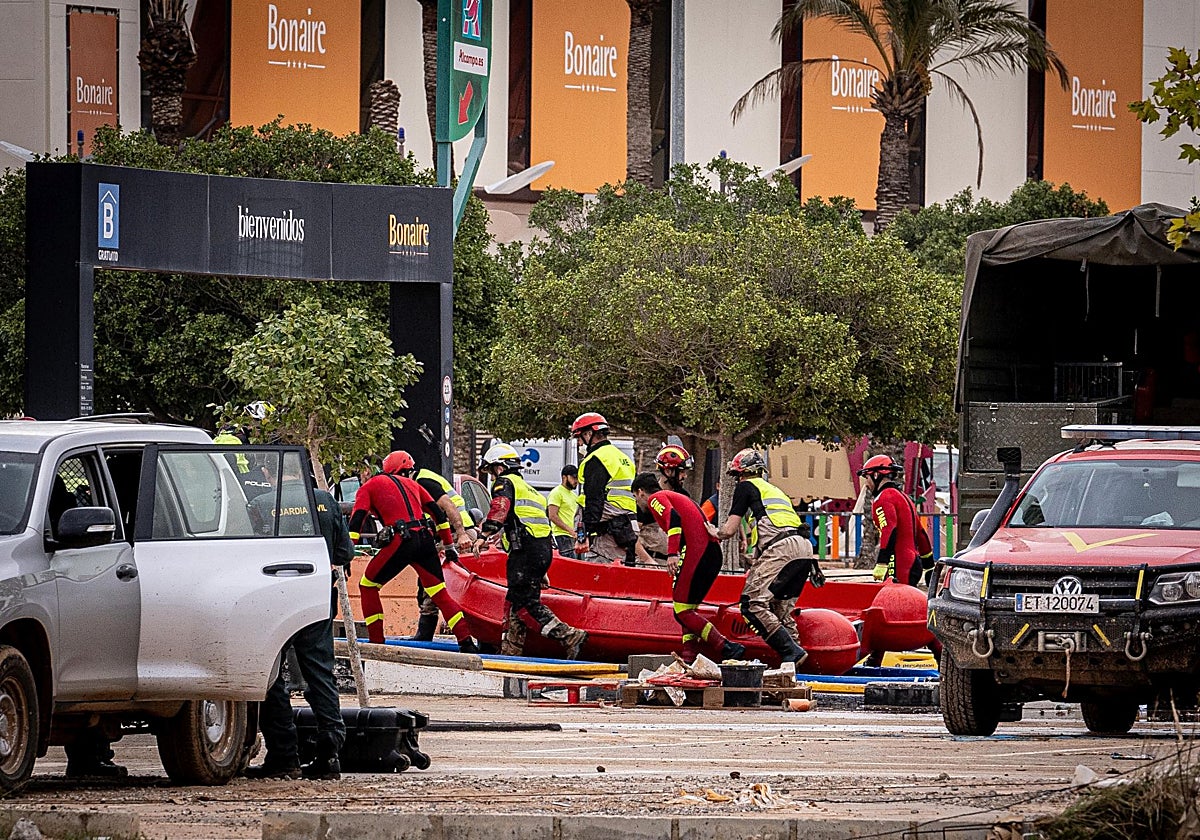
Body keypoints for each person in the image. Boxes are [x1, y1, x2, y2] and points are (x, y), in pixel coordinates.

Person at [246, 454, 352, 780]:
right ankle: (331, 753)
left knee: (273, 676)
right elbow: (344, 554)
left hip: (272, 598)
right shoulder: (324, 500)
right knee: (320, 673)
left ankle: (284, 756)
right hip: (316, 594)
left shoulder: (260, 503)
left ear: (267, 472)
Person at [347, 451, 480, 651]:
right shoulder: (415, 484)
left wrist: (349, 552)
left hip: (401, 539)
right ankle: (467, 643)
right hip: (426, 539)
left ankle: (376, 645)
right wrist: (449, 546)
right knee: (439, 593)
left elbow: (357, 520)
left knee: (368, 585)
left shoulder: (369, 487)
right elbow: (439, 515)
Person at [474, 443, 588, 658]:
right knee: (514, 601)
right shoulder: (531, 490)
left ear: (499, 467)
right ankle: (511, 651)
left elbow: (500, 507)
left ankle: (569, 635)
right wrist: (540, 569)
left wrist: (484, 535)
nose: (491, 476)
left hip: (525, 553)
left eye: (490, 470)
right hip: (539, 551)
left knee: (526, 604)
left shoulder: (505, 482)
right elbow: (538, 527)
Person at [632, 473, 746, 664]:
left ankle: (726, 647)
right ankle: (689, 658)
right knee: (687, 609)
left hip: (697, 552)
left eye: (635, 497)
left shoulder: (655, 499)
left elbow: (674, 519)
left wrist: (672, 554)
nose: (637, 502)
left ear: (640, 492)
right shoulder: (674, 496)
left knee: (681, 611)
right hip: (710, 553)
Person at [715, 449, 812, 666]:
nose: (737, 480)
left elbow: (729, 530)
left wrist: (713, 533)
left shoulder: (745, 486)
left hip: (782, 548)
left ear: (743, 473)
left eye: (737, 475)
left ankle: (791, 653)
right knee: (781, 608)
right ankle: (793, 668)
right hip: (803, 548)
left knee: (752, 604)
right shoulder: (773, 491)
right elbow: (770, 526)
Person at [397, 455, 479, 642]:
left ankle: (426, 634)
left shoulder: (424, 481)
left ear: (404, 473)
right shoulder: (421, 479)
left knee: (432, 583)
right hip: (450, 535)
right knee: (431, 582)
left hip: (457, 535)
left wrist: (461, 534)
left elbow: (449, 507)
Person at [571, 413, 639, 565]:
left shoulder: (597, 459)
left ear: (589, 433)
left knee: (601, 578)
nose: (579, 444)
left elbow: (594, 499)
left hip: (606, 534)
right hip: (626, 529)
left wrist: (584, 535)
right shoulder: (623, 458)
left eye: (579, 437)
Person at [858, 455, 935, 587]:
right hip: (912, 563)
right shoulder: (904, 498)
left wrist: (882, 563)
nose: (866, 483)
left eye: (867, 478)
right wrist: (929, 566)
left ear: (876, 475)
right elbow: (921, 534)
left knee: (894, 605)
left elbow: (889, 530)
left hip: (900, 565)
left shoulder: (884, 498)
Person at [547, 464, 581, 559]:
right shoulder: (557, 493)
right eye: (574, 478)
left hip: (572, 537)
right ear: (564, 477)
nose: (576, 481)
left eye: (577, 478)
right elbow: (552, 516)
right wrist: (570, 531)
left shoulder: (574, 496)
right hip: (561, 536)